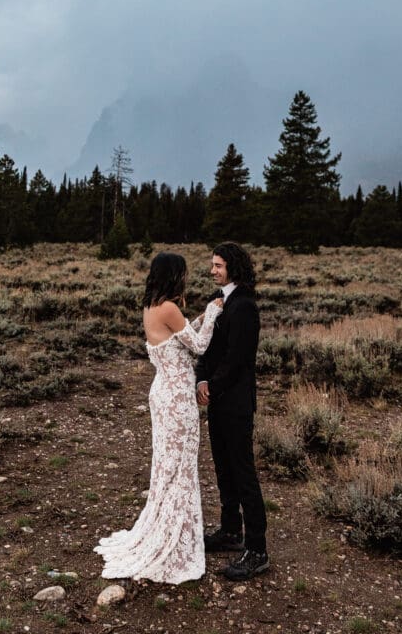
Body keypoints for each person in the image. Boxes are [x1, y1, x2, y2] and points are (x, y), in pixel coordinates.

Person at [94, 252, 223, 583]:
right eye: (183, 274)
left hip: (162, 393)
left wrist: (196, 320)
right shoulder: (169, 308)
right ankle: (174, 540)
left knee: (169, 466)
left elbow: (179, 339)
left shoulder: (153, 307)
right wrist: (210, 313)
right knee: (180, 466)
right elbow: (199, 346)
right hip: (177, 398)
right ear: (173, 276)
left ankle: (170, 529)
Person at [196, 241, 268, 580]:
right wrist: (200, 379)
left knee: (243, 472)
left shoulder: (244, 307)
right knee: (224, 468)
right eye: (213, 265)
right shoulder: (221, 303)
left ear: (233, 268)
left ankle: (257, 549)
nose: (213, 270)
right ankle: (230, 531)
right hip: (219, 400)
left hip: (235, 402)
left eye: (219, 265)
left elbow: (239, 357)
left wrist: (213, 384)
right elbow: (209, 348)